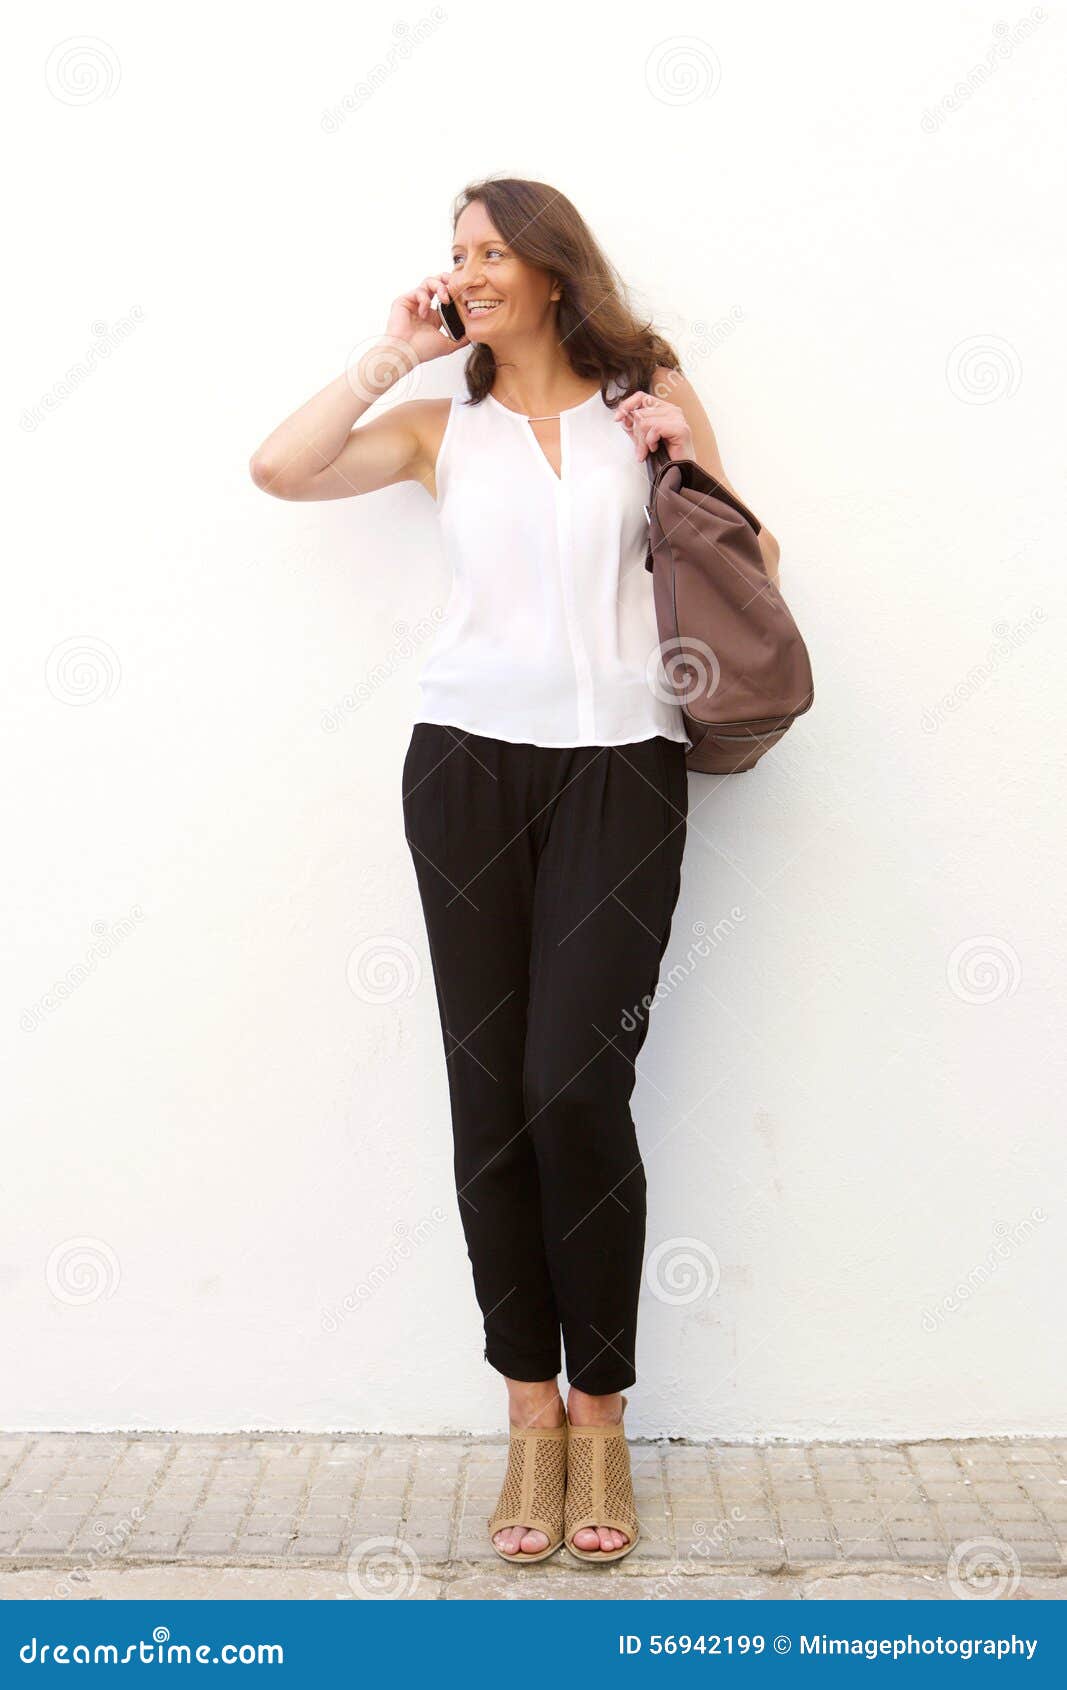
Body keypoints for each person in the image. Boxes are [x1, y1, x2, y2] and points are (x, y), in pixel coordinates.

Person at [250, 175, 780, 1565]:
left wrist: (680, 454)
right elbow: (282, 467)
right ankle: (529, 1418)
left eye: (489, 251)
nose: (467, 270)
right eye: (455, 255)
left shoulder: (641, 386)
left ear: (551, 267)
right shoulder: (443, 424)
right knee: (490, 1100)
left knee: (571, 1083)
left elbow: (756, 553)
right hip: (467, 767)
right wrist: (397, 350)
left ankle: (602, 1412)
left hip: (624, 763)